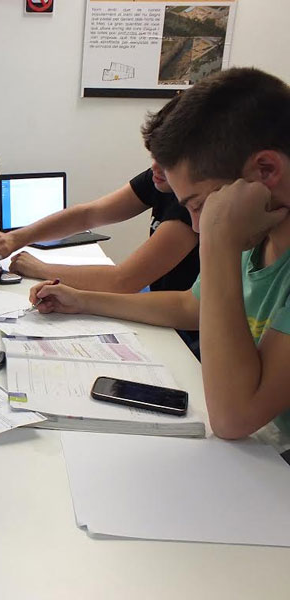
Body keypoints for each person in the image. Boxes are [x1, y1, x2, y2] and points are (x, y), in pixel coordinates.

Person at [28, 68, 290, 447]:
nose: (197, 225)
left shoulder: (231, 231)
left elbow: (233, 418)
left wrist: (217, 239)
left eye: (199, 206)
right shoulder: (256, 232)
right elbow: (190, 305)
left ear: (266, 170)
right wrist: (82, 300)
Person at [0, 96, 199, 295]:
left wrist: (40, 268)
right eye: (154, 155)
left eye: (167, 160)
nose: (154, 167)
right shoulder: (161, 177)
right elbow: (88, 214)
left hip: (175, 318)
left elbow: (123, 281)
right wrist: (16, 238)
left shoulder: (192, 204)